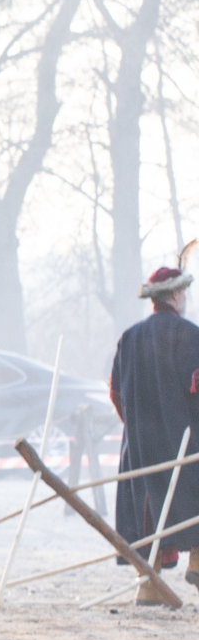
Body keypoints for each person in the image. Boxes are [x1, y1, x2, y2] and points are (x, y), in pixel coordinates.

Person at [110, 249, 199, 597]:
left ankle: (147, 585)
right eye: (185, 295)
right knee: (192, 504)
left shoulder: (129, 338)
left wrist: (136, 426)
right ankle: (196, 564)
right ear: (176, 295)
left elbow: (115, 393)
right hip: (185, 444)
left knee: (147, 512)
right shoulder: (190, 335)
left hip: (139, 447)